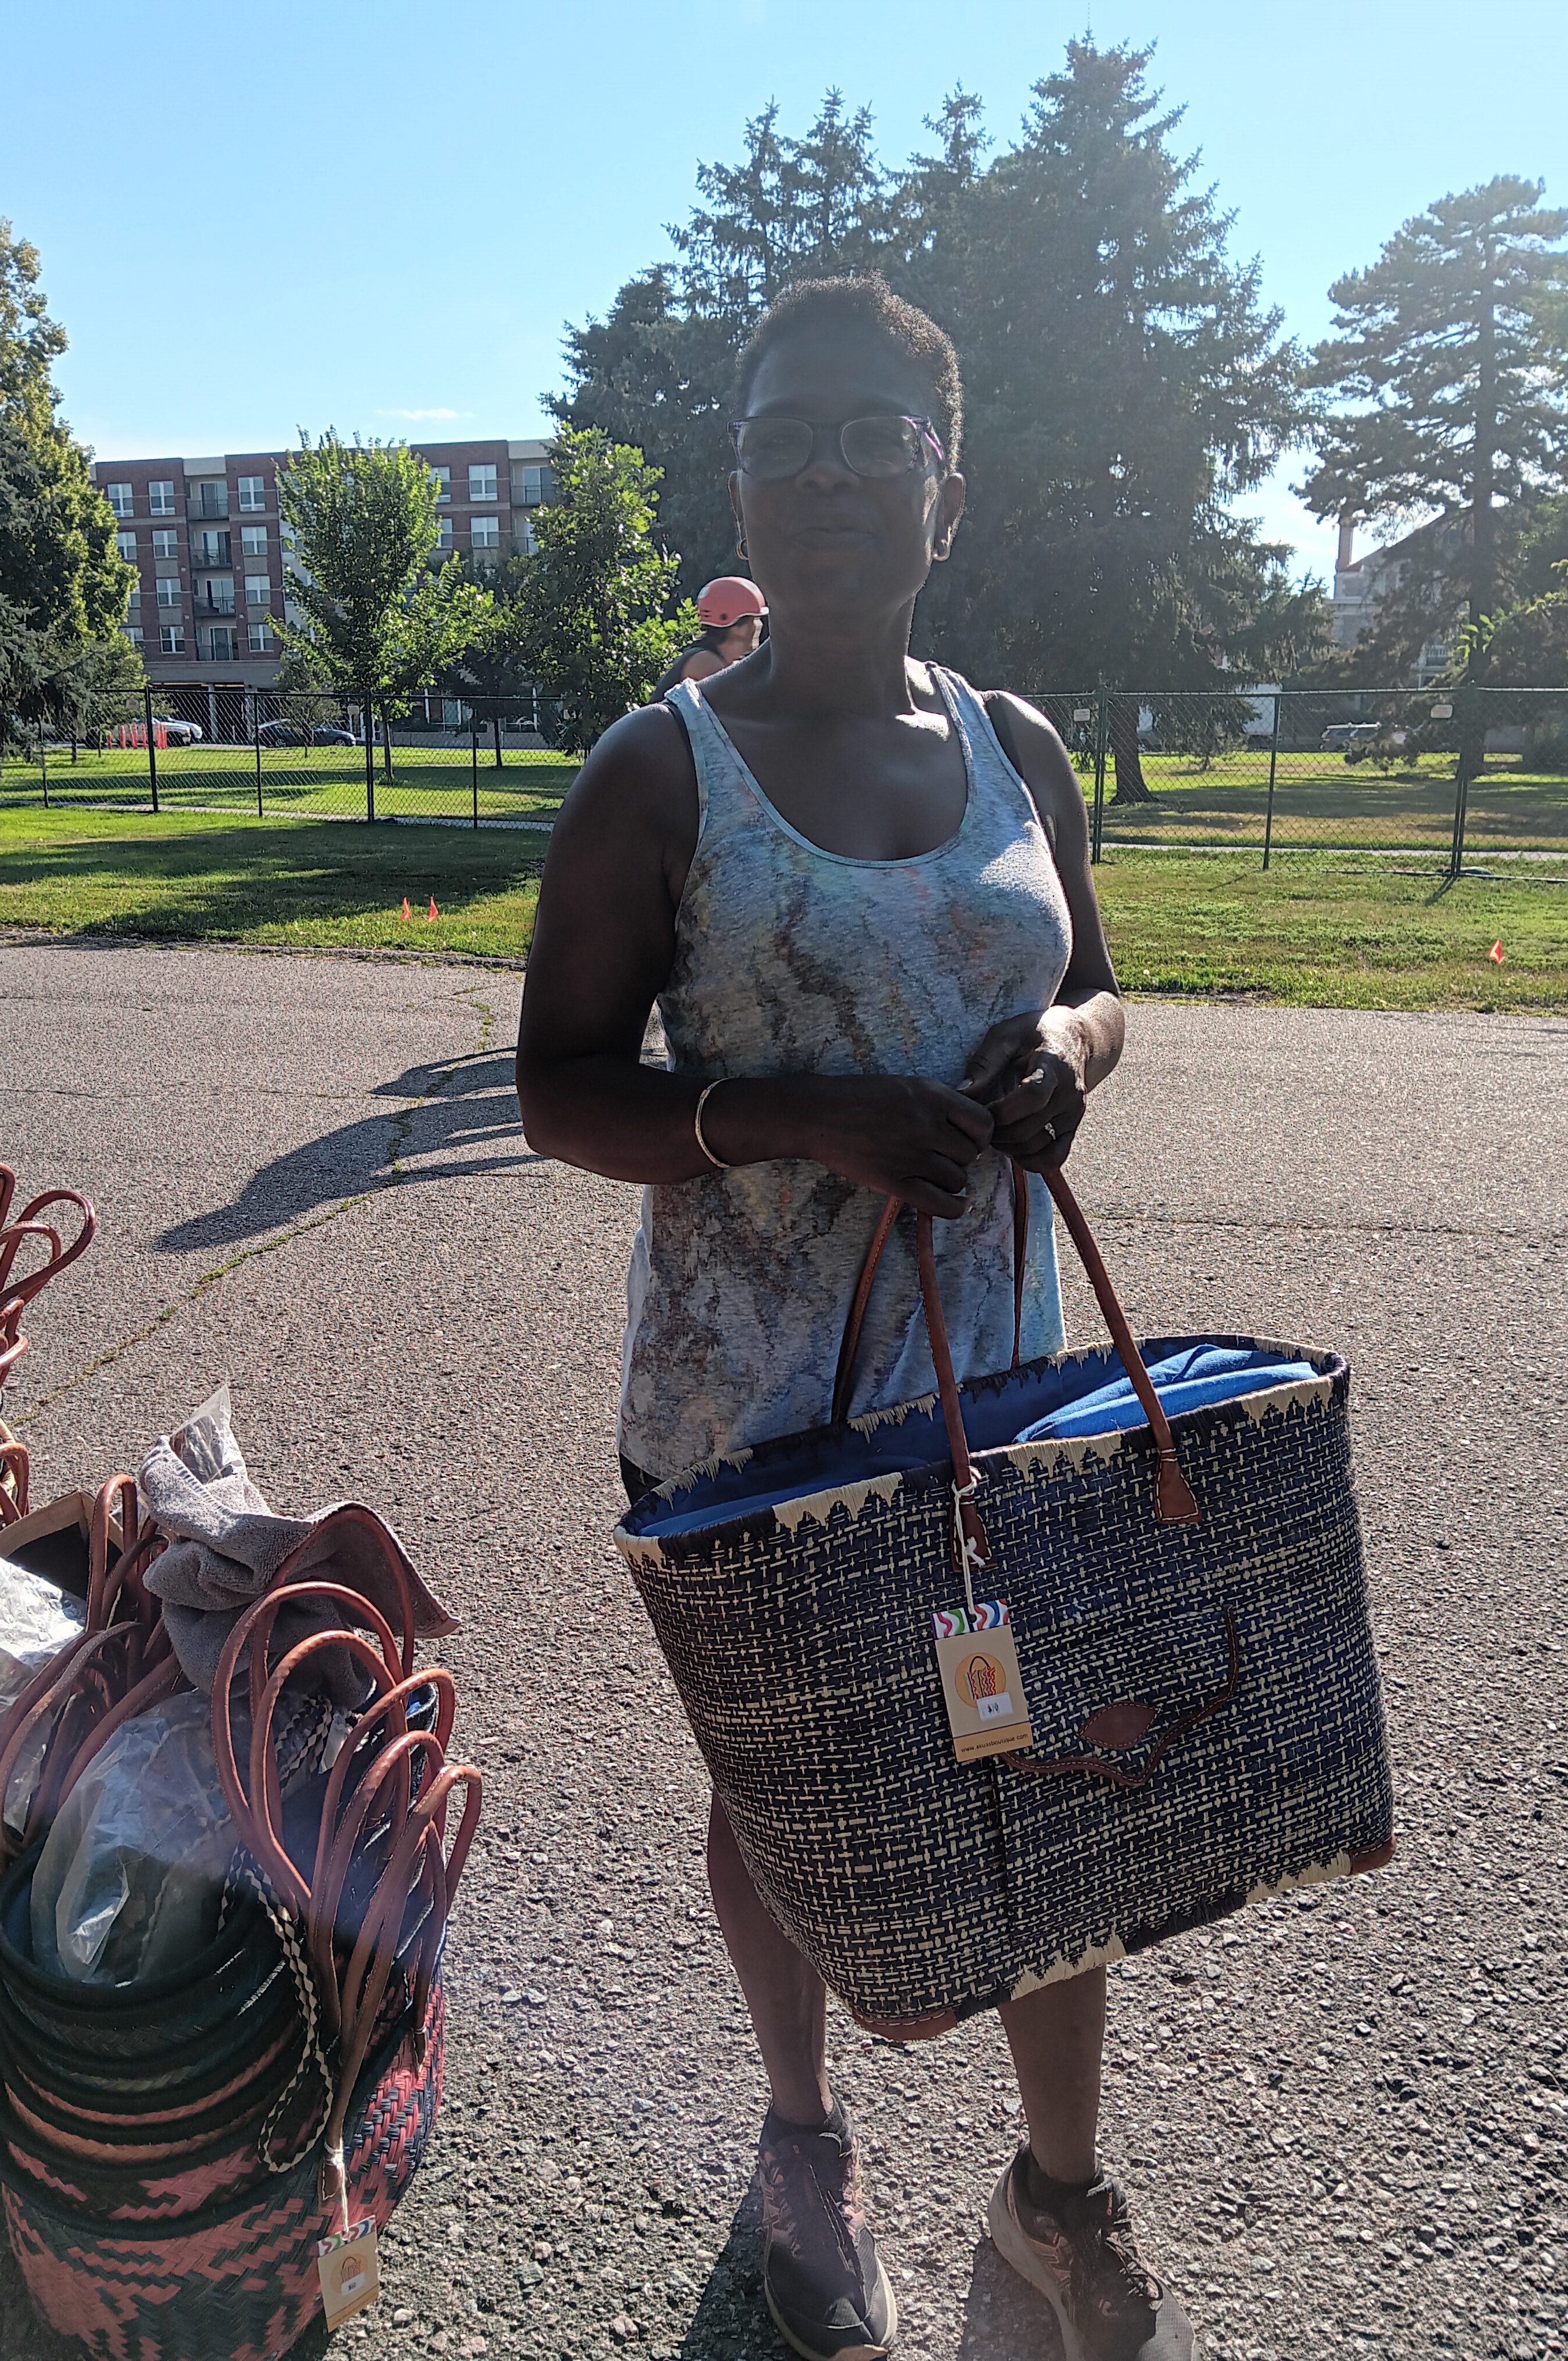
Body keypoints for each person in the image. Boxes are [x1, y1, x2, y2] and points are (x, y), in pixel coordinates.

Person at [517, 274, 1192, 2361]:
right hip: (754, 1423)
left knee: (1054, 1766)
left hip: (997, 1384)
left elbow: (1102, 974)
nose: (816, 466)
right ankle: (805, 2143)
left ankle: (1056, 2190)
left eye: (862, 434)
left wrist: (1072, 1047)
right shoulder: (661, 772)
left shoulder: (1017, 743)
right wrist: (799, 1106)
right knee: (781, 1798)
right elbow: (559, 1085)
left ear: (943, 491)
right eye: (778, 435)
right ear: (742, 480)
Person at [652, 574, 768, 697]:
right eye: (754, 619)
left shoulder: (720, 661)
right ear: (736, 625)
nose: (759, 625)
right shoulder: (706, 663)